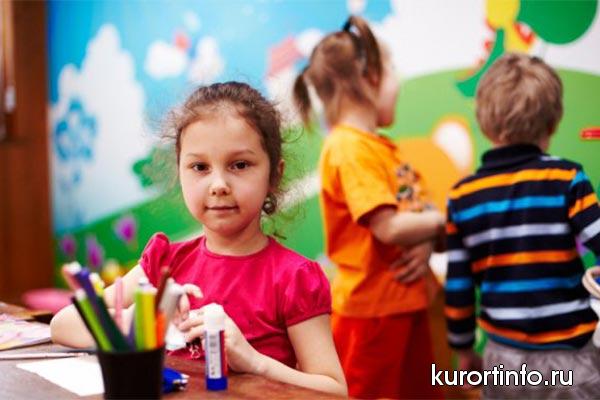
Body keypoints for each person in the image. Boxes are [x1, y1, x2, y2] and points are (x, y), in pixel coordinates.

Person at [51, 82, 347, 396]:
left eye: (240, 165)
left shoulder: (294, 278)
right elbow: (62, 326)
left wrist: (255, 362)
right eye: (200, 167)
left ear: (274, 174)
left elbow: (334, 390)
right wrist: (142, 322)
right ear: (180, 172)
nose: (218, 184)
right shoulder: (164, 264)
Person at [293, 15, 445, 399]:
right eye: (392, 69)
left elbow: (413, 217)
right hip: (374, 314)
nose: (400, 81)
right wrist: (445, 220)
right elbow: (389, 228)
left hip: (407, 302)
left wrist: (428, 240)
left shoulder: (381, 148)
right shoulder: (349, 148)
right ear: (368, 76)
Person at [445, 53, 600, 398]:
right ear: (553, 123)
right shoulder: (567, 178)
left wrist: (463, 349)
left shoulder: (462, 197)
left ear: (484, 123)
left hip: (504, 358)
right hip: (571, 354)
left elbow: (458, 286)